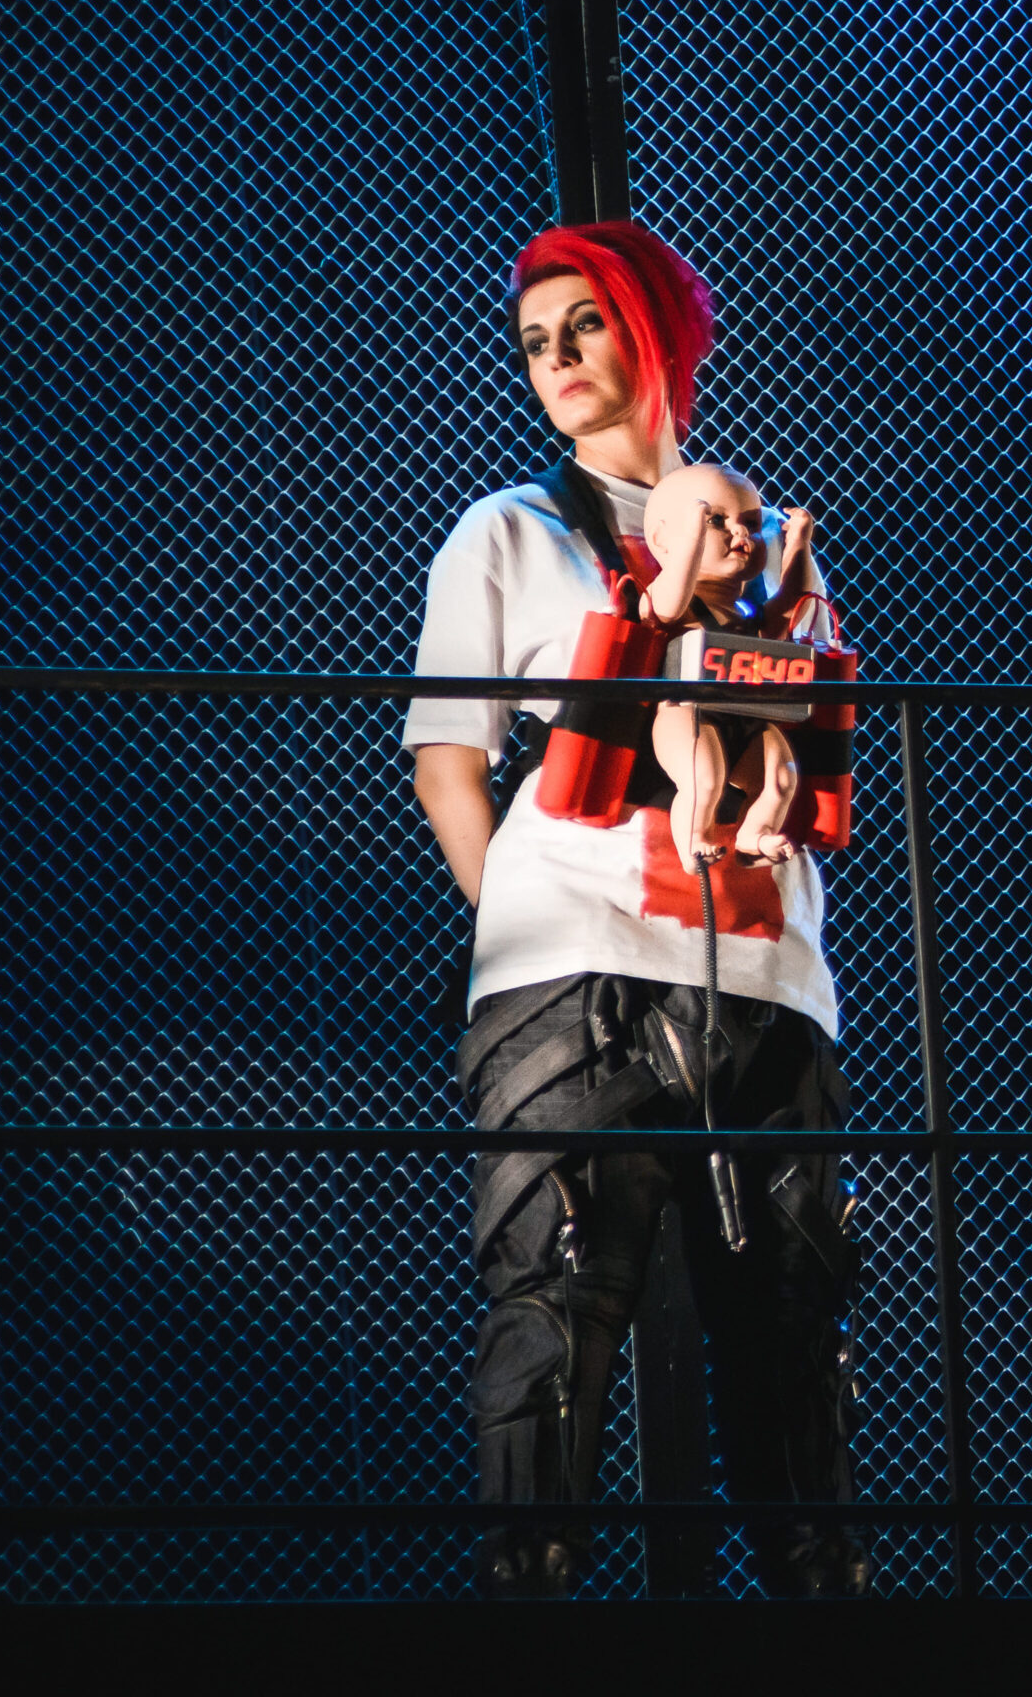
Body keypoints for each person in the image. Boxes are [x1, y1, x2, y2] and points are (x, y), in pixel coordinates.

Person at [405, 221, 867, 1600]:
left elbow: (818, 737)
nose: (555, 359)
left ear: (651, 329)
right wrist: (518, 924)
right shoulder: (510, 529)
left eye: (584, 324)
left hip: (763, 972)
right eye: (533, 341)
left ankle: (829, 1605)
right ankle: (531, 1599)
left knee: (791, 1314)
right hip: (574, 974)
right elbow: (448, 759)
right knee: (557, 1296)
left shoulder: (763, 547)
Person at [640, 460, 815, 872]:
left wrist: (798, 545)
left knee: (780, 777)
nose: (741, 533)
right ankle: (694, 842)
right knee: (703, 778)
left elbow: (789, 608)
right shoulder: (671, 598)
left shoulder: (748, 609)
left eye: (751, 523)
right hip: (688, 712)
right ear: (663, 540)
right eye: (716, 520)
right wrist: (692, 540)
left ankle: (755, 835)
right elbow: (667, 607)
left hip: (745, 713)